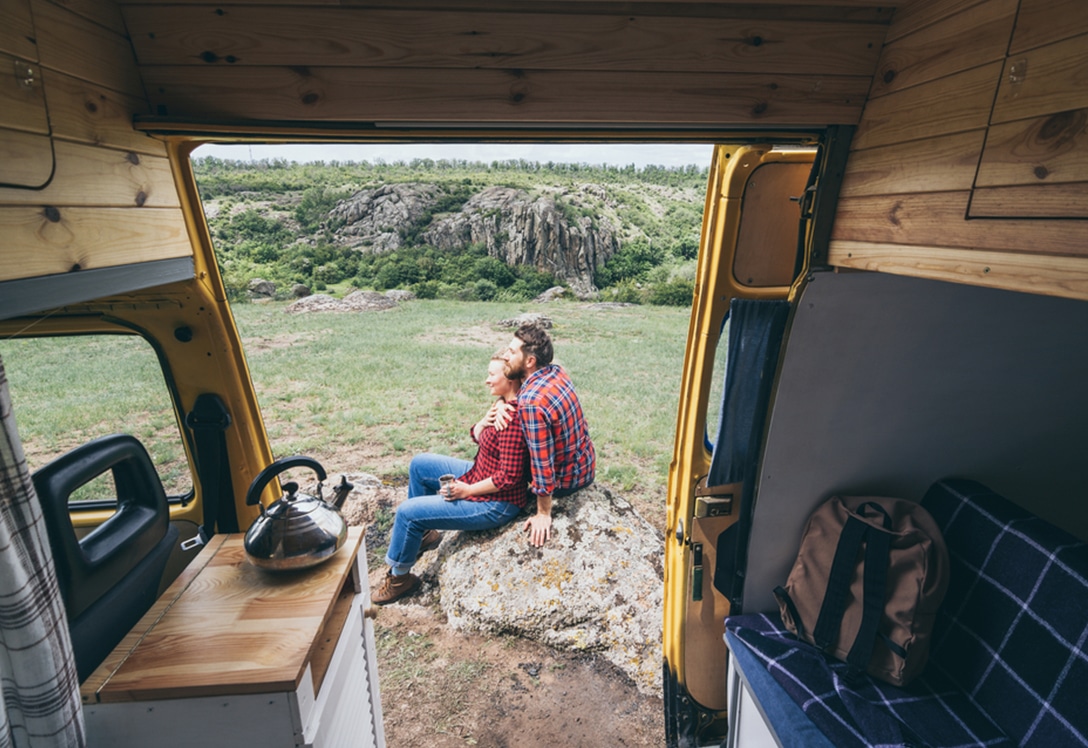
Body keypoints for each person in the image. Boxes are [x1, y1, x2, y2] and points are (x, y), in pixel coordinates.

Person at [373, 353, 531, 605]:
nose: (486, 381)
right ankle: (425, 535)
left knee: (407, 513)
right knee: (419, 464)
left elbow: (509, 477)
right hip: (481, 472)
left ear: (510, 379)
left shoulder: (512, 418)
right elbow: (487, 442)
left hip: (496, 502)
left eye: (492, 375)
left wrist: (467, 491)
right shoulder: (503, 403)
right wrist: (481, 424)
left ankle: (400, 577)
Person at [498, 322, 595, 548]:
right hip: (585, 465)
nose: (505, 355)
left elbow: (541, 461)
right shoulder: (555, 371)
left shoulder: (531, 402)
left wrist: (543, 512)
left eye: (512, 352)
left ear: (530, 361)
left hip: (566, 480)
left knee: (504, 456)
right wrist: (501, 402)